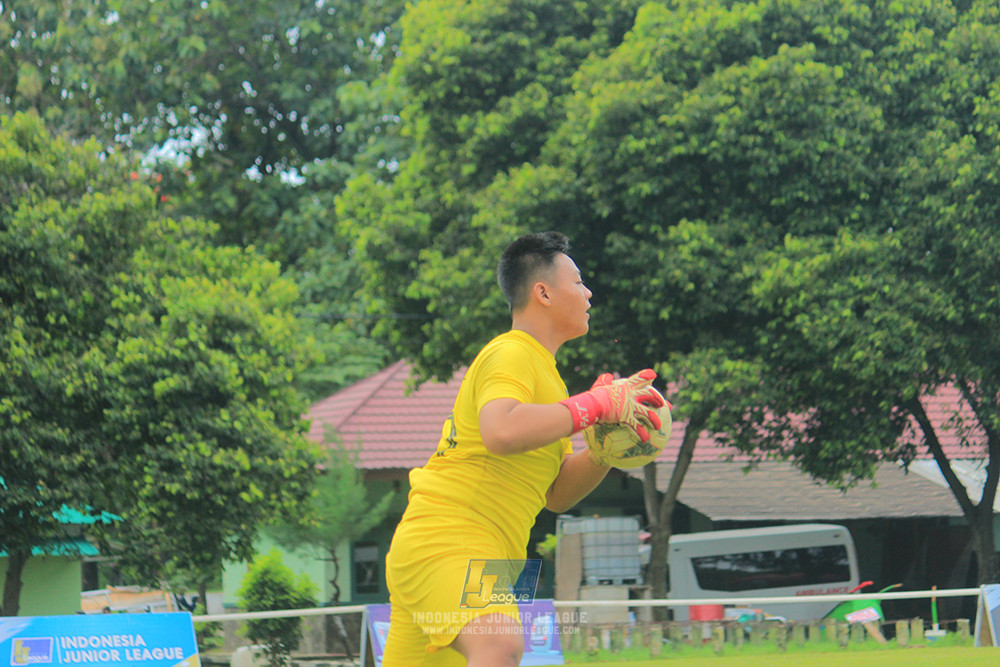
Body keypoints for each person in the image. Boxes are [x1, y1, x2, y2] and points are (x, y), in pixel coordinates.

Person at [382, 231, 664, 667]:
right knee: (499, 646)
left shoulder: (548, 377)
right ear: (543, 292)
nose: (589, 293)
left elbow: (555, 495)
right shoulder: (511, 352)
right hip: (447, 535)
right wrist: (595, 404)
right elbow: (501, 431)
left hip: (491, 558)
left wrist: (606, 450)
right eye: (578, 282)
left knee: (499, 651)